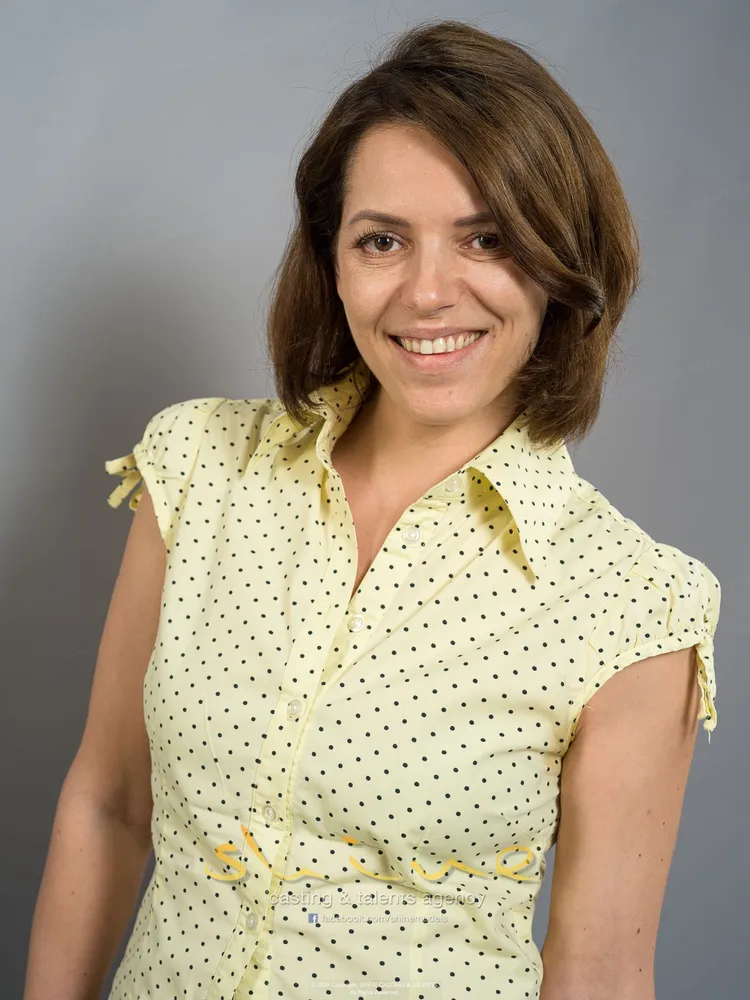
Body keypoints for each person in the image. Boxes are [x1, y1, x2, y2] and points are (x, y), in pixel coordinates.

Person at [24, 18, 721, 1000]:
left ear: (559, 263)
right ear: (334, 261)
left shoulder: (633, 606)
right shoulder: (197, 470)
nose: (429, 292)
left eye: (487, 238)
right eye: (383, 240)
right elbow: (108, 803)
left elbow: (600, 970)